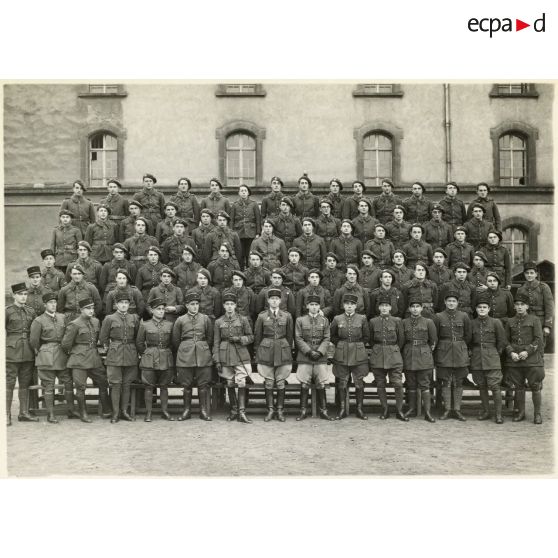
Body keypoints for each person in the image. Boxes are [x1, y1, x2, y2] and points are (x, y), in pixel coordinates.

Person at [29, 292, 77, 423]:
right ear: (45, 305)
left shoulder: (62, 317)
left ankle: (71, 410)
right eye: (50, 303)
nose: (53, 305)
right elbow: (34, 341)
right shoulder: (38, 320)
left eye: (55, 302)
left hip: (61, 355)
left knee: (67, 381)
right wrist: (43, 351)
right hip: (46, 356)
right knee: (48, 385)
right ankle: (50, 414)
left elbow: (67, 334)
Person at [60, 298, 110, 423]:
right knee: (80, 387)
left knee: (103, 382)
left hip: (94, 358)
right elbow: (66, 344)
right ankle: (83, 413)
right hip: (79, 360)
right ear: (81, 310)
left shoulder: (96, 321)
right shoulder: (74, 324)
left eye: (92, 308)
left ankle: (106, 410)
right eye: (88, 308)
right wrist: (76, 352)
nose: (91, 311)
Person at [254, 288, 294, 422]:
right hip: (266, 350)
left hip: (282, 350)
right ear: (268, 300)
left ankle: (280, 410)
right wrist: (258, 353)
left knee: (281, 382)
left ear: (280, 300)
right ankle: (270, 410)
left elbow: (289, 336)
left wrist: (287, 350)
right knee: (269, 382)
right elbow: (257, 337)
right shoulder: (262, 316)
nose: (274, 301)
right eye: (272, 299)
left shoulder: (287, 316)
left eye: (277, 299)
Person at [504, 293, 545, 424]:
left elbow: (539, 339)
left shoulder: (535, 320)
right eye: (517, 305)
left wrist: (527, 352)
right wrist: (511, 353)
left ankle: (537, 414)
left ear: (527, 306)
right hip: (515, 360)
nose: (519, 307)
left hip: (531, 359)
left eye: (522, 305)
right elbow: (505, 341)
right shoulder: (510, 321)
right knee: (519, 386)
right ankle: (521, 412)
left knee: (535, 386)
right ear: (514, 307)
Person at [99, 291, 140, 422]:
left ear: (129, 305)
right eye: (121, 303)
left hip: (130, 353)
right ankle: (115, 413)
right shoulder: (109, 319)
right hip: (115, 354)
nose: (123, 305)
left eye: (126, 303)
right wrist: (110, 348)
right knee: (115, 384)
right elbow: (103, 337)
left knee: (127, 384)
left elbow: (138, 337)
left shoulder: (134, 318)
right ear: (116, 304)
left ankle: (124, 411)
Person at [213, 292, 254, 423]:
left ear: (235, 305)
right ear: (224, 306)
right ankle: (233, 410)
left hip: (240, 354)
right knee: (230, 382)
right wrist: (217, 359)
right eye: (227, 304)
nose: (229, 307)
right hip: (225, 355)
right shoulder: (219, 322)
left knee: (241, 381)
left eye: (232, 304)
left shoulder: (243, 319)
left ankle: (242, 412)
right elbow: (216, 342)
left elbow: (251, 337)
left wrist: (239, 339)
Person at [173, 291, 214, 421]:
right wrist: (186, 347)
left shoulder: (205, 319)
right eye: (192, 304)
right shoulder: (180, 320)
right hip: (185, 356)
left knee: (203, 384)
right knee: (186, 385)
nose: (195, 306)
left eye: (197, 304)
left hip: (203, 355)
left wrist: (202, 347)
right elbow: (175, 340)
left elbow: (210, 338)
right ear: (186, 305)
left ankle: (203, 410)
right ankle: (187, 410)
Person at [434, 290, 472, 421]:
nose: (451, 303)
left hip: (460, 350)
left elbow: (468, 335)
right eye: (449, 301)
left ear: (457, 303)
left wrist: (460, 345)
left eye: (454, 301)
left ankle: (457, 410)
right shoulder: (438, 316)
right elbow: (436, 335)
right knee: (446, 380)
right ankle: (447, 409)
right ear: (445, 302)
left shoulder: (464, 316)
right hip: (444, 351)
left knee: (459, 381)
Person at [330, 293, 370, 420]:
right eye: (347, 304)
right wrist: (341, 344)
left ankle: (359, 409)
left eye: (352, 304)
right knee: (342, 382)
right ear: (343, 305)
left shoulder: (362, 318)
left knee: (359, 382)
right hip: (342, 352)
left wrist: (357, 345)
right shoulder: (337, 319)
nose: (349, 306)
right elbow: (332, 335)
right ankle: (342, 409)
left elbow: (367, 336)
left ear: (355, 306)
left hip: (358, 352)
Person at [136, 298, 175, 422]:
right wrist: (148, 353)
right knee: (148, 386)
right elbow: (139, 343)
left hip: (166, 357)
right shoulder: (145, 324)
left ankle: (165, 411)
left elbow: (173, 343)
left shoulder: (170, 324)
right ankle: (148, 413)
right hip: (149, 358)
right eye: (158, 309)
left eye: (163, 309)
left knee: (164, 386)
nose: (161, 311)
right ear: (152, 311)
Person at [294, 295, 333, 421]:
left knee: (321, 384)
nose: (314, 307)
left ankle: (324, 410)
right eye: (311, 305)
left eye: (316, 305)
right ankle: (303, 411)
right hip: (305, 357)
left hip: (320, 358)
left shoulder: (325, 320)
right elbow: (298, 338)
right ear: (307, 306)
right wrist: (309, 351)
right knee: (304, 384)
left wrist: (320, 352)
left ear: (319, 307)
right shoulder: (300, 320)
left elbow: (327, 338)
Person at [369, 294, 407, 421]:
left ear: (390, 307)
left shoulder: (397, 321)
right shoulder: (373, 322)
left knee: (398, 383)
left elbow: (401, 340)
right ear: (378, 307)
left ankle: (399, 410)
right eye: (382, 306)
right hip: (378, 355)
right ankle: (385, 409)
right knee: (380, 384)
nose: (384, 308)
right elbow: (370, 339)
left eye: (386, 306)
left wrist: (393, 349)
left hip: (394, 355)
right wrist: (379, 348)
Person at [470, 295, 507, 424]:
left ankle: (498, 414)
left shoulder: (496, 322)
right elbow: (469, 340)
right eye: (479, 307)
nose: (482, 309)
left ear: (489, 309)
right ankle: (486, 411)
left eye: (484, 307)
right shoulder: (472, 323)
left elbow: (501, 341)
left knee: (495, 386)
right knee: (482, 386)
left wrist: (495, 353)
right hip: (477, 358)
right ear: (476, 308)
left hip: (492, 358)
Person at [5, 283, 38, 425]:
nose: (24, 297)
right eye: (20, 294)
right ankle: (6, 415)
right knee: (9, 384)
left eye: (25, 294)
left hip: (28, 352)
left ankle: (23, 412)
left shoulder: (31, 312)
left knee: (24, 383)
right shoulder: (7, 311)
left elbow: (35, 331)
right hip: (11, 352)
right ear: (14, 295)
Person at [401, 297, 437, 422]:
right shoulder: (404, 322)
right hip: (409, 354)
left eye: (418, 306)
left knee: (424, 383)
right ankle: (411, 409)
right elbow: (401, 341)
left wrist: (426, 352)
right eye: (413, 307)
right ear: (409, 309)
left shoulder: (428, 322)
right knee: (410, 383)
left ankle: (427, 412)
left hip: (424, 354)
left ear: (422, 308)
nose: (415, 309)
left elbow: (433, 341)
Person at [516, 261, 554, 351]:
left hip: (540, 321)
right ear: (524, 274)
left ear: (536, 274)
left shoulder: (543, 287)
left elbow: (550, 308)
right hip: (525, 321)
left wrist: (547, 326)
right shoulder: (521, 289)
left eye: (532, 273)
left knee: (539, 346)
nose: (529, 275)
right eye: (527, 273)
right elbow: (518, 308)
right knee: (526, 347)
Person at [230, 184, 261, 269]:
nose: (243, 193)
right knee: (239, 253)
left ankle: (249, 269)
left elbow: (258, 219)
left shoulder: (254, 204)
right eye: (241, 191)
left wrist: (258, 232)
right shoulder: (235, 205)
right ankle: (240, 270)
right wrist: (231, 232)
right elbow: (232, 220)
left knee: (250, 253)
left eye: (245, 191)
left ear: (248, 193)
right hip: (238, 232)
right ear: (239, 193)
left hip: (251, 232)